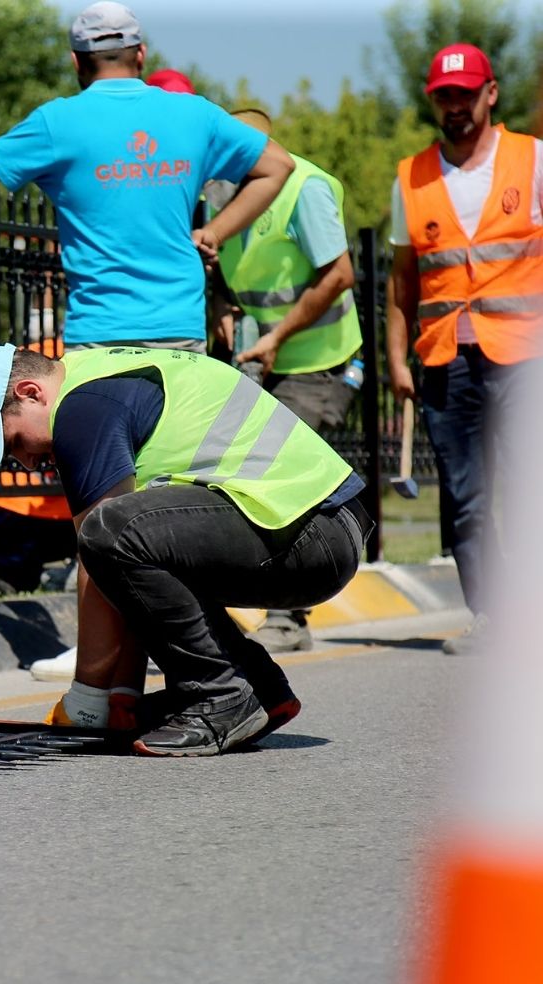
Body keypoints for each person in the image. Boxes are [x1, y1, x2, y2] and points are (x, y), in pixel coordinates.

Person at [0, 343, 369, 755]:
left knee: (106, 530)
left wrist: (87, 699)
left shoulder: (81, 409)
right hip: (319, 528)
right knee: (129, 537)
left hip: (309, 534)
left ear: (30, 393)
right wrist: (123, 697)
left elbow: (100, 556)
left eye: (14, 442)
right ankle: (258, 688)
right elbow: (128, 579)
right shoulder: (94, 373)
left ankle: (222, 695)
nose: (28, 462)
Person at [0, 2, 294, 354]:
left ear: (77, 61)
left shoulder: (59, 123)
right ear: (141, 54)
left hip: (99, 338)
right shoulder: (195, 115)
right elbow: (278, 166)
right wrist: (214, 233)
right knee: (172, 454)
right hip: (179, 332)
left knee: (104, 454)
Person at [387, 43, 543, 655]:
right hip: (446, 359)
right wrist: (398, 359)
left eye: (465, 93)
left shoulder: (531, 160)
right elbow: (402, 280)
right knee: (465, 493)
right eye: (444, 96)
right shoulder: (412, 176)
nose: (455, 106)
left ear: (490, 93)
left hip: (526, 354)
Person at [210, 107, 365, 653]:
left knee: (286, 475)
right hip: (261, 358)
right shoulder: (221, 190)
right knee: (240, 474)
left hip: (320, 360)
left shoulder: (305, 187)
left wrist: (277, 338)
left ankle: (288, 616)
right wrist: (221, 306)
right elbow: (215, 267)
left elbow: (340, 274)